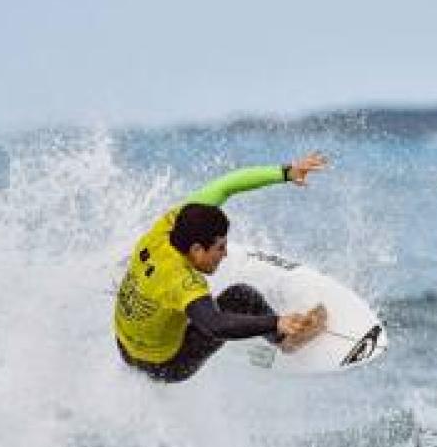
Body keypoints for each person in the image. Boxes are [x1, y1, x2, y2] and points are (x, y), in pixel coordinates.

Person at [113, 152, 329, 382]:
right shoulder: (182, 281)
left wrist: (286, 172)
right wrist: (276, 322)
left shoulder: (165, 228)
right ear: (196, 249)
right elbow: (214, 325)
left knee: (154, 286)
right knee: (242, 297)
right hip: (165, 366)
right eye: (220, 247)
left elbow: (226, 186)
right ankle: (287, 341)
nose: (225, 254)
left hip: (123, 345)